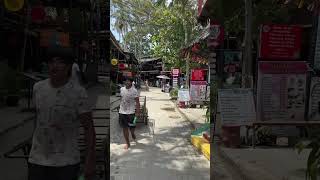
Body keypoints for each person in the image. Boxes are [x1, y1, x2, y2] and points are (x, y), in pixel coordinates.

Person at [28, 47, 96, 180]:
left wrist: (90, 161)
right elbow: (38, 118)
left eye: (60, 62)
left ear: (69, 66)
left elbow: (88, 128)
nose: (55, 66)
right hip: (37, 159)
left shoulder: (78, 93)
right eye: (51, 62)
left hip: (66, 162)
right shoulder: (38, 88)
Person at [119, 77, 140, 150]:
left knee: (132, 128)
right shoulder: (121, 89)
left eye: (128, 81)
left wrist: (137, 112)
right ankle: (128, 143)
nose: (127, 82)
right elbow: (121, 98)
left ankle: (132, 133)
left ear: (131, 82)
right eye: (126, 81)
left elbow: (137, 102)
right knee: (124, 128)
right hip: (122, 112)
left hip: (131, 112)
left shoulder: (134, 91)